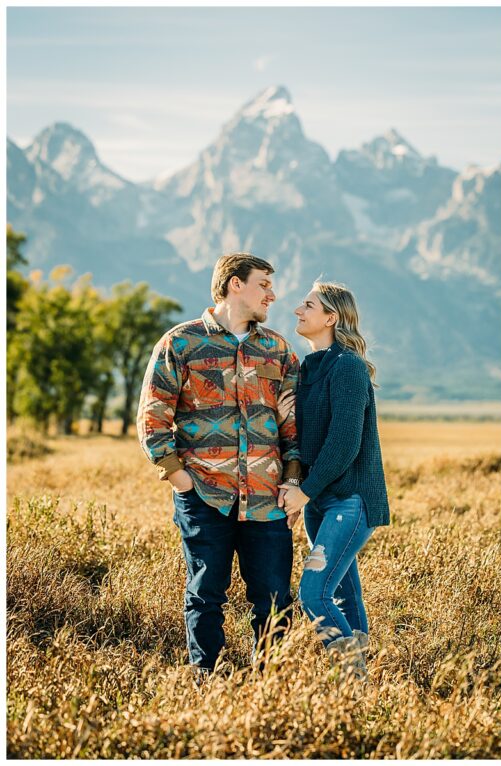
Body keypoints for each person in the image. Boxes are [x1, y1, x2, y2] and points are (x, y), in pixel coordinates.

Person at [137, 253, 302, 682]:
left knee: (273, 597)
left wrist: (293, 479)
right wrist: (177, 475)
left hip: (267, 500)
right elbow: (153, 416)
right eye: (264, 283)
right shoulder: (181, 343)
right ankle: (204, 679)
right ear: (234, 284)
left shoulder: (278, 349)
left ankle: (270, 685)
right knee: (206, 593)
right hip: (205, 495)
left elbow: (294, 426)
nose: (273, 293)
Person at [278, 280, 390, 678]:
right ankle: (361, 692)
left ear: (331, 317)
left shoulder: (348, 367)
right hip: (320, 503)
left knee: (314, 594)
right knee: (343, 592)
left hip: (350, 502)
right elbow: (306, 439)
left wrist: (303, 492)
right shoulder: (307, 368)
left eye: (308, 305)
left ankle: (351, 678)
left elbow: (343, 444)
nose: (297, 310)